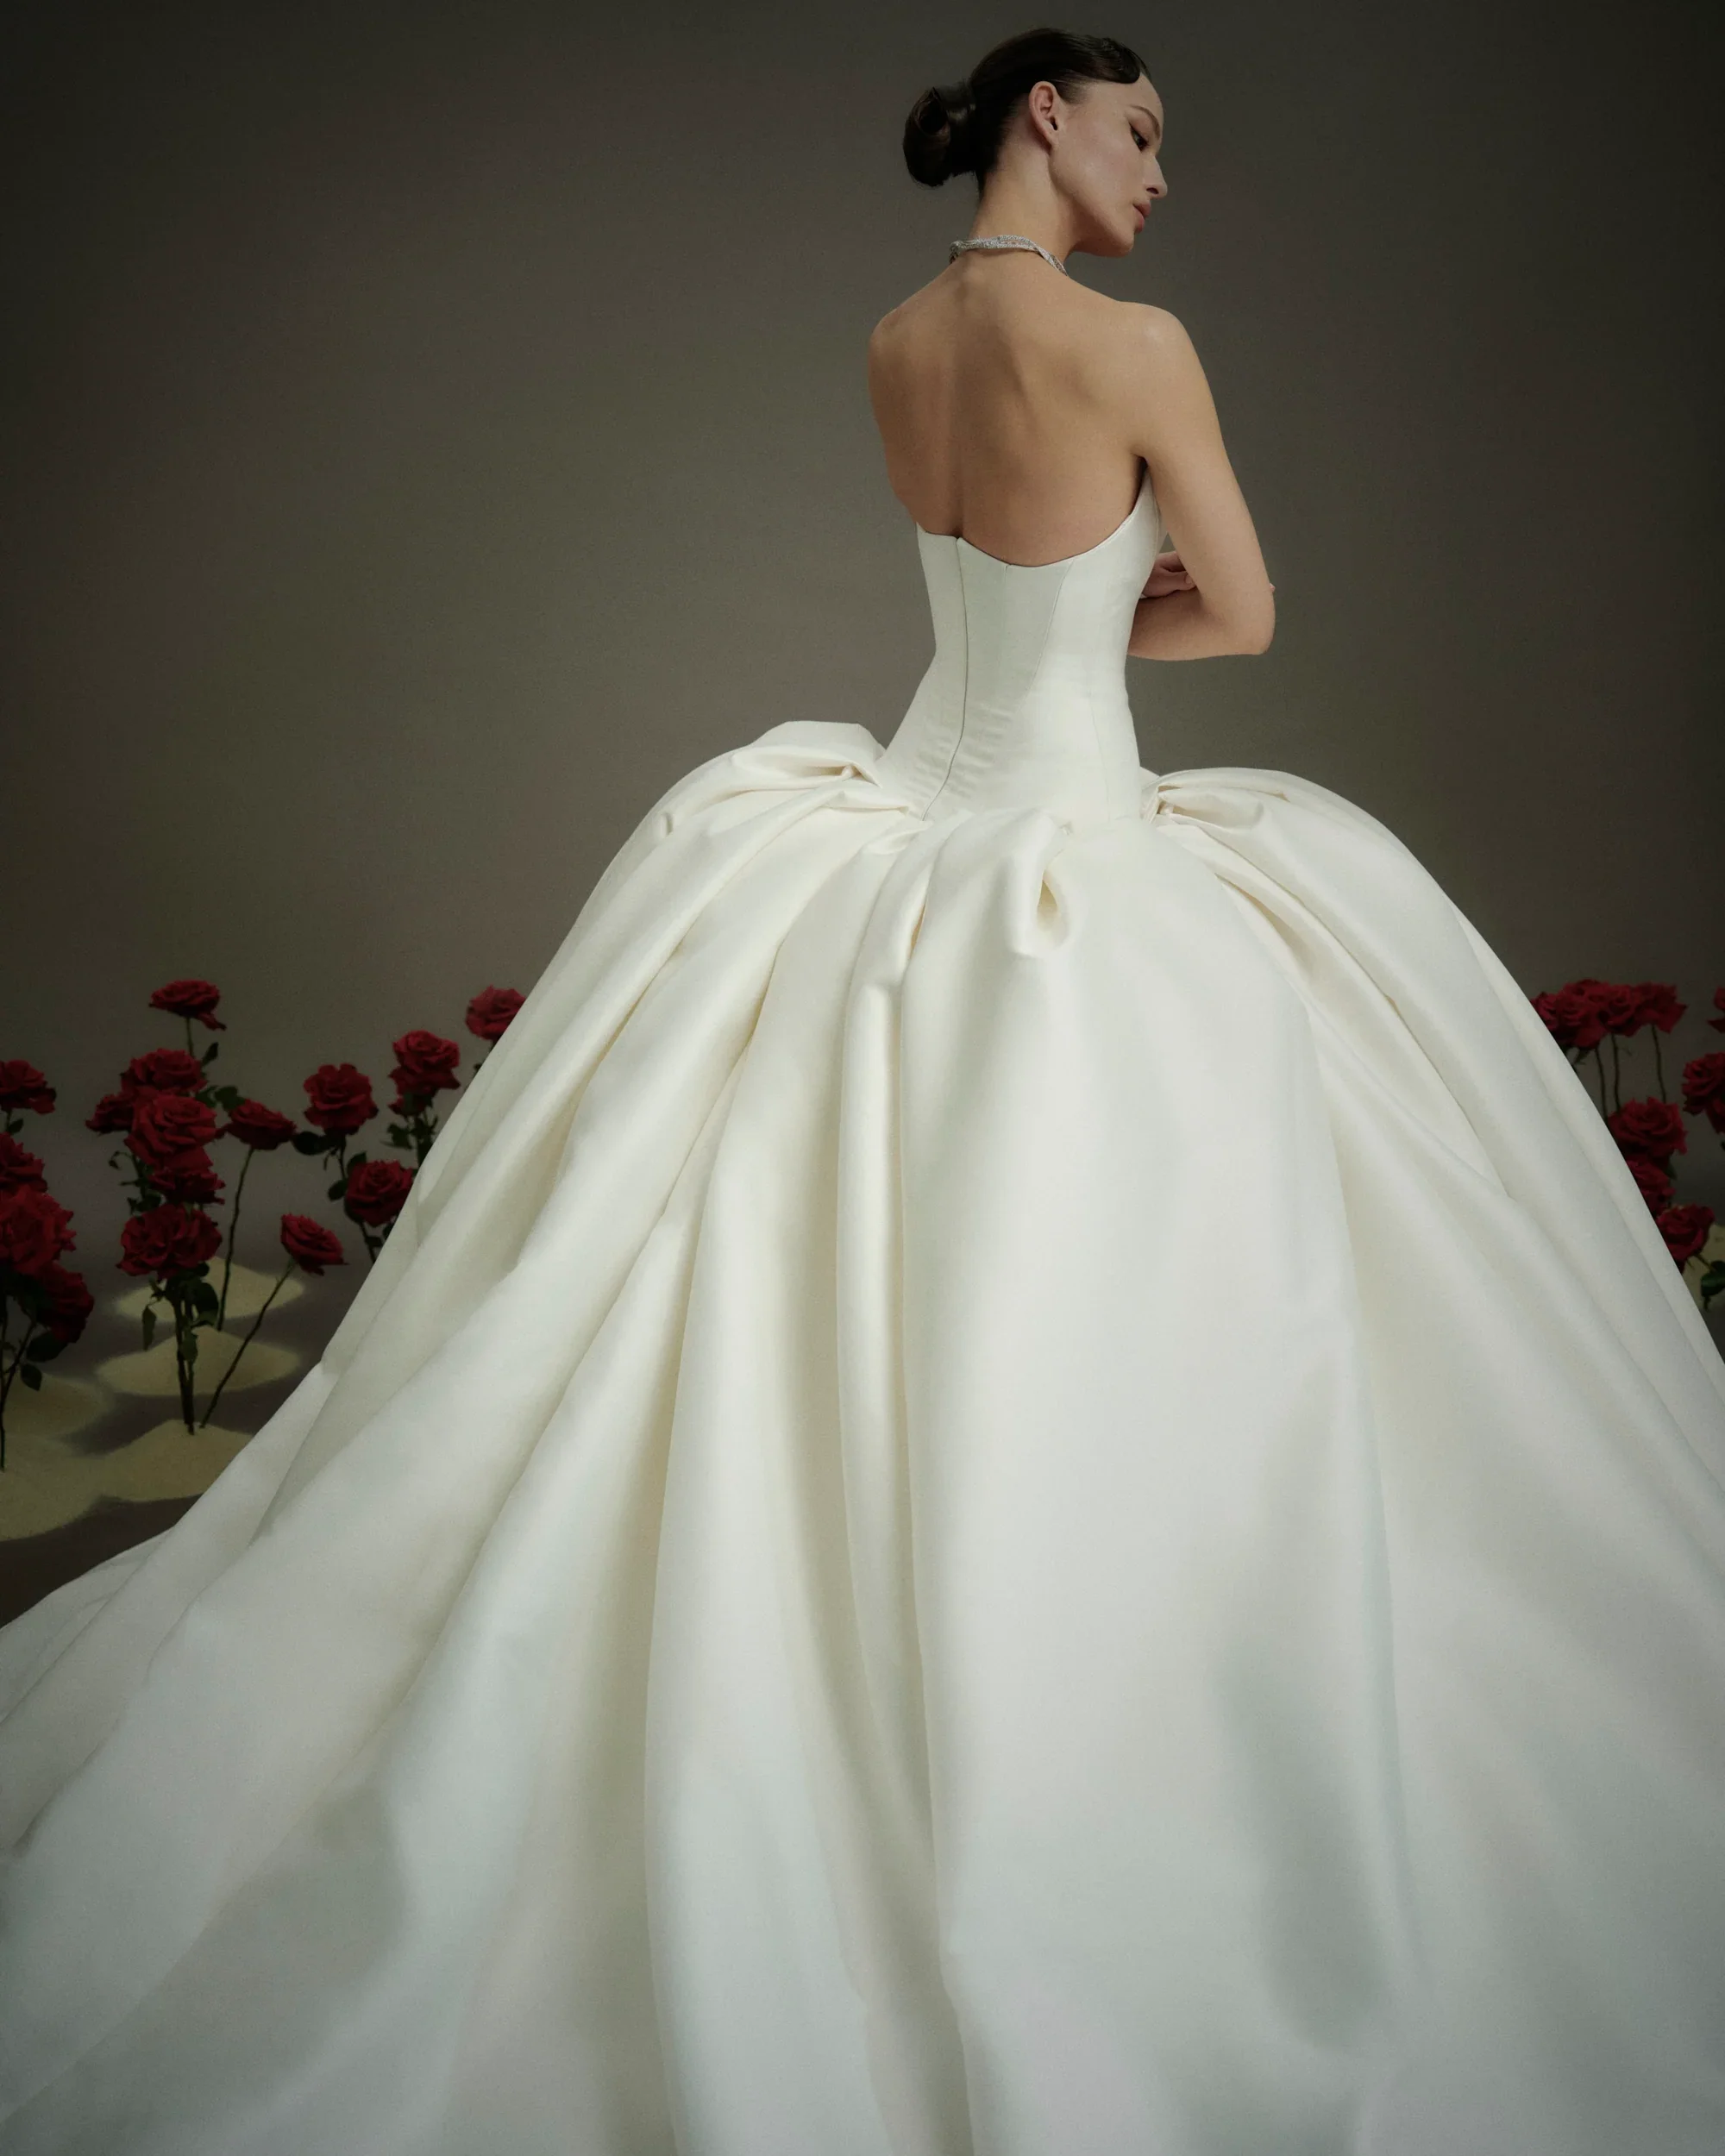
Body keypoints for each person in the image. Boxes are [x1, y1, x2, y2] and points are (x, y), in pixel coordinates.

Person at [2, 25, 1723, 2155]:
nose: (1160, 173)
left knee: (763, 1269)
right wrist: (1110, 627)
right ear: (1045, 116)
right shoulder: (1142, 346)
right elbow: (1248, 613)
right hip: (1069, 832)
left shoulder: (895, 340)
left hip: (899, 807)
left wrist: (1041, 633)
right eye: (1140, 132)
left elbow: (976, 591)